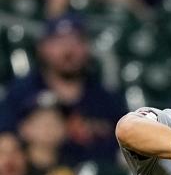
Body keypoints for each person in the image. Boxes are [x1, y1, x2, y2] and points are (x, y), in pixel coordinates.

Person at [0, 14, 126, 166]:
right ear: (42, 47)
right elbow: (6, 143)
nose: (68, 50)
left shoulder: (105, 99)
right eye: (59, 41)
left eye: (76, 41)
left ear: (87, 48)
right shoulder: (20, 93)